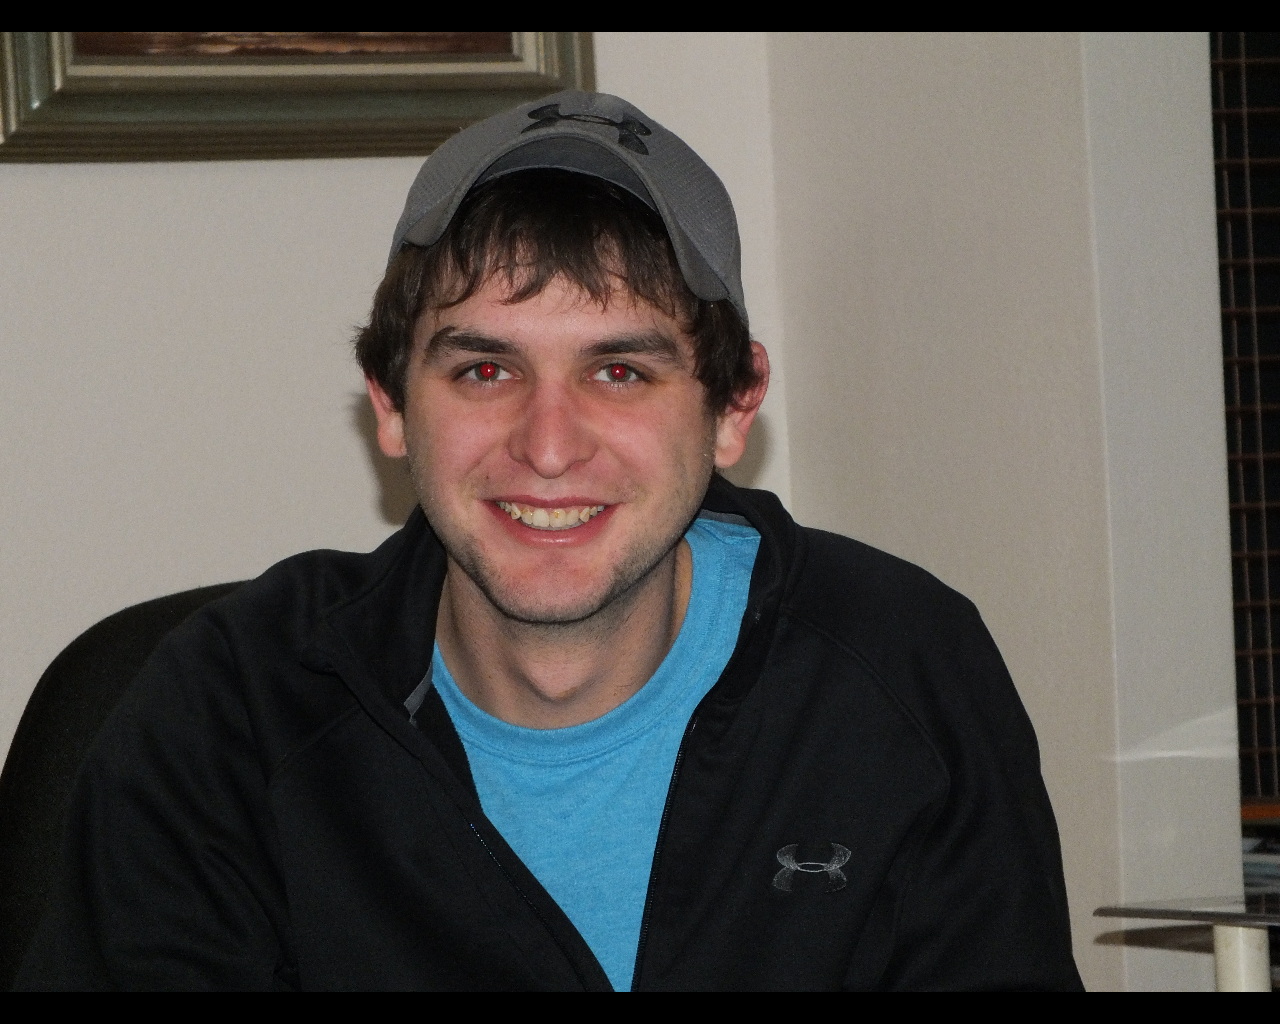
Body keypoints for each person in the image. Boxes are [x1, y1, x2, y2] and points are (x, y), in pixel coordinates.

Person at [17, 91, 1082, 991]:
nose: (549, 444)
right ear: (390, 402)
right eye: (485, 369)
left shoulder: (900, 674)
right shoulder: (229, 713)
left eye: (620, 371)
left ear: (731, 405)